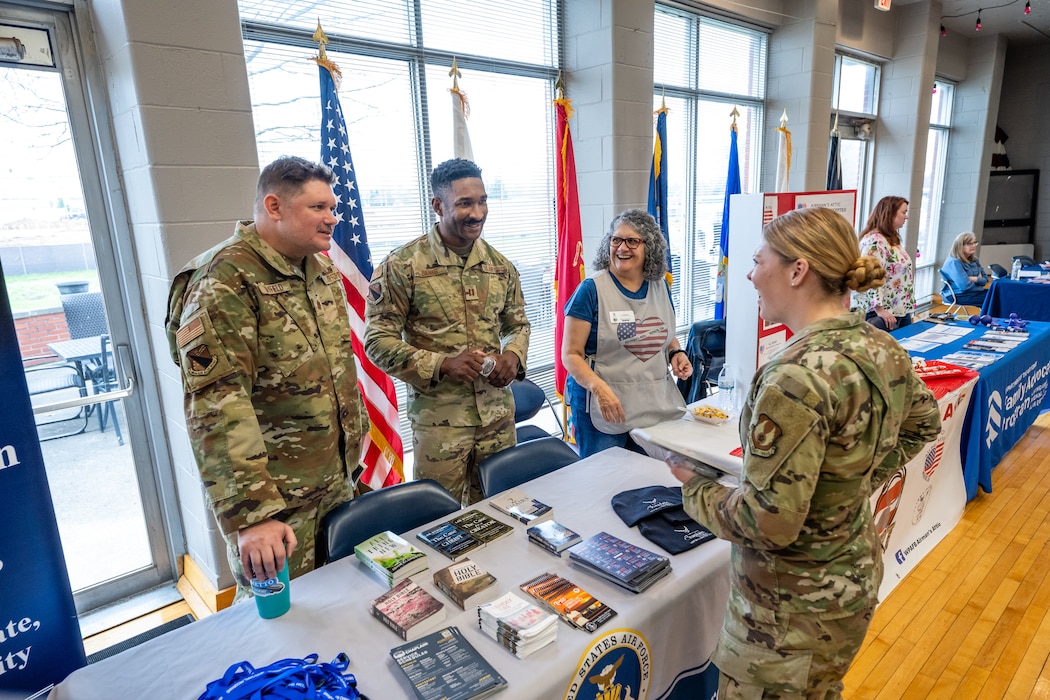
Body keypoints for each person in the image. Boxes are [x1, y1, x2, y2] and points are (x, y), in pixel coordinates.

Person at [669, 206, 941, 697]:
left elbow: (766, 523)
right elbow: (924, 423)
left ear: (798, 271)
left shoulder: (795, 376)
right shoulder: (880, 346)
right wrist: (847, 484)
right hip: (847, 582)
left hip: (785, 617)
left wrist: (695, 487)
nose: (750, 275)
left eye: (757, 261)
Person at [165, 156, 369, 599]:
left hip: (335, 481)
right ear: (274, 206)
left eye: (332, 208)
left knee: (339, 610)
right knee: (279, 629)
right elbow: (217, 407)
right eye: (318, 208)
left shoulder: (320, 270)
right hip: (276, 503)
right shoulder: (224, 279)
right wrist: (253, 515)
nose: (332, 218)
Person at [364, 158, 530, 505]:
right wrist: (442, 364)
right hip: (441, 424)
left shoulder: (500, 265)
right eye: (465, 203)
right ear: (438, 206)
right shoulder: (402, 265)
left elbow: (517, 324)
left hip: (497, 419)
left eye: (482, 201)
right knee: (441, 524)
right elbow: (377, 342)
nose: (477, 212)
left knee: (503, 511)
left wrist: (513, 356)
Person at [562, 208, 692, 458]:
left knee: (649, 480)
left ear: (649, 247)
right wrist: (599, 389)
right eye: (616, 240)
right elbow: (570, 354)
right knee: (605, 479)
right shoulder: (590, 290)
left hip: (651, 403)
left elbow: (660, 331)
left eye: (632, 241)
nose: (622, 248)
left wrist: (676, 352)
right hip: (603, 405)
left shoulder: (660, 285)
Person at [853, 195, 914, 331]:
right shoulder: (875, 241)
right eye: (903, 212)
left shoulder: (890, 239)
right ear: (890, 214)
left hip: (899, 309)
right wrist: (879, 309)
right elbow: (871, 276)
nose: (906, 217)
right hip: (883, 313)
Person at [941, 232, 989, 306]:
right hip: (957, 294)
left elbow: (985, 280)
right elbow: (964, 286)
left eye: (974, 243)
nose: (973, 246)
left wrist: (974, 279)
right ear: (960, 246)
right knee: (994, 299)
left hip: (972, 292)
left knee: (999, 295)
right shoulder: (954, 262)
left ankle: (988, 317)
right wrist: (979, 283)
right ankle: (987, 317)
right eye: (969, 244)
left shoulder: (975, 260)